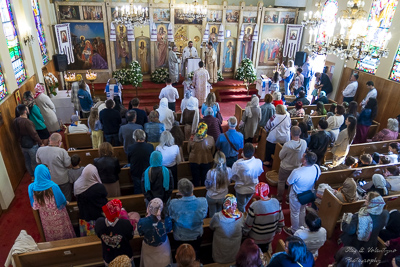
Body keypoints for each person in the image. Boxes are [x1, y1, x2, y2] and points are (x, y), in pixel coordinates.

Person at [28, 164, 76, 241]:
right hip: (58, 215)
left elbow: (34, 205)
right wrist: (66, 203)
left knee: (50, 232)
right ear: (46, 173)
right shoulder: (53, 186)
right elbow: (61, 201)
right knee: (62, 231)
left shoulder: (31, 187)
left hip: (45, 217)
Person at [340, 191, 389, 262]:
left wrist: (344, 222)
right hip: (370, 244)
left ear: (371, 204)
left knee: (348, 261)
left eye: (367, 200)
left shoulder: (360, 216)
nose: (365, 200)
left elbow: (350, 230)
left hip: (355, 244)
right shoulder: (385, 214)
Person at [168, 179, 208, 257]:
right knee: (195, 255)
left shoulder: (174, 203)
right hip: (196, 235)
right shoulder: (203, 201)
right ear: (192, 187)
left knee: (180, 256)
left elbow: (171, 216)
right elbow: (204, 215)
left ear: (180, 192)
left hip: (180, 236)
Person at [284, 151, 321, 235]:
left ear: (304, 161)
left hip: (297, 195)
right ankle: (302, 225)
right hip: (308, 194)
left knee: (295, 213)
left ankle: (294, 230)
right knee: (302, 209)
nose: (301, 157)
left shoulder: (297, 171)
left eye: (303, 157)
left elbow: (288, 183)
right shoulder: (316, 167)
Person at [244, 183, 284, 251]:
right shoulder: (276, 202)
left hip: (255, 237)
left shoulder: (254, 205)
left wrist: (245, 234)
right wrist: (278, 229)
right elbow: (281, 221)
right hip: (270, 236)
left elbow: (248, 225)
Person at [95, 199, 134, 266]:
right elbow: (130, 236)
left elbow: (98, 235)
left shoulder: (99, 222)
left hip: (108, 256)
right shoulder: (125, 224)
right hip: (124, 258)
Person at [36, 133, 72, 201]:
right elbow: (68, 165)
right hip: (61, 180)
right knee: (65, 197)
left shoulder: (40, 150)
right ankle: (67, 209)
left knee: (51, 198)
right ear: (59, 142)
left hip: (47, 180)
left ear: (49, 139)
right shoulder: (62, 151)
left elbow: (39, 165)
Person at [138, 198, 173, 267]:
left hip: (149, 247)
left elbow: (140, 233)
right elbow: (169, 230)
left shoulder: (142, 221)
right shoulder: (167, 220)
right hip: (163, 246)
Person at [74, 164, 108, 236]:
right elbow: (105, 195)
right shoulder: (99, 187)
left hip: (85, 216)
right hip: (98, 216)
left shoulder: (77, 184)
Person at [209, 194, 244, 263]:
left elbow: (211, 227)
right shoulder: (241, 216)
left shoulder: (217, 217)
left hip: (219, 253)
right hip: (234, 254)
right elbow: (244, 229)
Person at [277, 126, 307, 202]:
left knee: (281, 181)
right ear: (300, 133)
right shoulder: (304, 143)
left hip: (285, 167)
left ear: (291, 134)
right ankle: (288, 198)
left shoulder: (287, 145)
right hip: (297, 167)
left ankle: (279, 198)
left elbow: (280, 156)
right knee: (292, 183)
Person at [231, 143, 264, 212]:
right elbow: (259, 173)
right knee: (245, 202)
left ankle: (242, 218)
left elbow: (233, 177)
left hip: (241, 189)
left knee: (241, 205)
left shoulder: (237, 164)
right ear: (253, 152)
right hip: (252, 187)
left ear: (242, 152)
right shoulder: (258, 162)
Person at [14, 104, 42, 179]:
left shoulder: (16, 121)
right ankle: (37, 177)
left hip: (23, 144)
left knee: (27, 161)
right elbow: (34, 134)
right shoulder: (27, 122)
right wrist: (40, 142)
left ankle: (32, 176)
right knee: (34, 161)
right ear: (25, 111)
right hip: (31, 145)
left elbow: (17, 134)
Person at [205, 151, 233, 217]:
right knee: (220, 211)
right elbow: (229, 182)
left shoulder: (211, 172)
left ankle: (213, 226)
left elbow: (207, 186)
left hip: (212, 196)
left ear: (214, 160)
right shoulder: (229, 170)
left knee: (212, 213)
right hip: (223, 196)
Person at [127, 129, 154, 194]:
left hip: (136, 171)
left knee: (137, 189)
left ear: (134, 137)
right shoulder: (150, 146)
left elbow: (129, 160)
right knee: (148, 189)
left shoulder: (130, 147)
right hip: (147, 171)